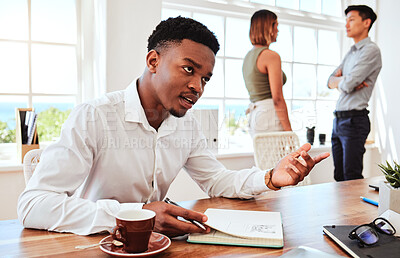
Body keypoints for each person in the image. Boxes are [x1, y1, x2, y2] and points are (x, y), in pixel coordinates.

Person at [18, 16, 329, 237]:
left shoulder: (187, 126)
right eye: (188, 69)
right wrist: (139, 215)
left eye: (205, 78)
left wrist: (270, 177)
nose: (198, 86)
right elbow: (33, 205)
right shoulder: (94, 116)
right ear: (153, 61)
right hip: (95, 244)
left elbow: (217, 180)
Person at [327, 5, 381, 181]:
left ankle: (354, 210)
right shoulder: (351, 52)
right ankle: (341, 210)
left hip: (354, 121)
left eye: (351, 20)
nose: (346, 25)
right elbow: (330, 81)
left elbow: (348, 84)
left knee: (351, 177)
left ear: (366, 22)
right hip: (339, 120)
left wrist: (345, 81)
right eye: (346, 20)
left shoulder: (371, 50)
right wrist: (345, 81)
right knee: (339, 177)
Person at [243, 9, 292, 137]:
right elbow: (278, 99)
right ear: (268, 28)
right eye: (276, 25)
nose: (278, 30)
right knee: (281, 157)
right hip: (269, 116)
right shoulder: (271, 56)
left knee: (263, 157)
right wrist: (289, 132)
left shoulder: (248, 56)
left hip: (256, 117)